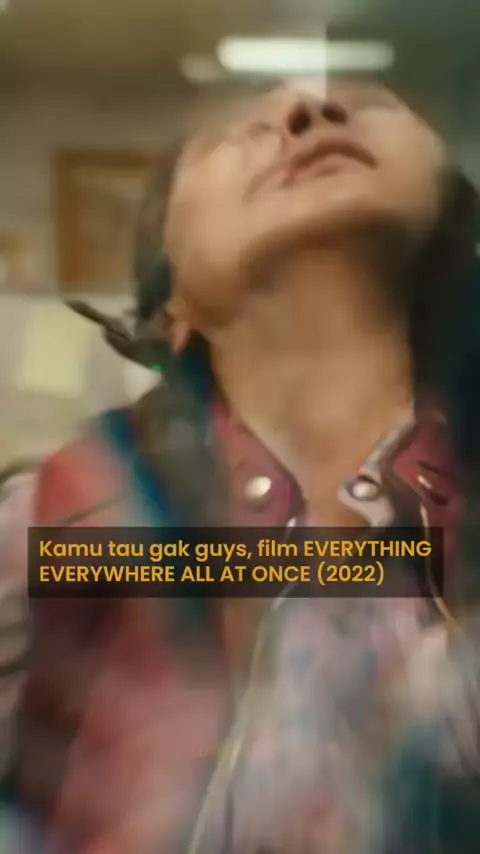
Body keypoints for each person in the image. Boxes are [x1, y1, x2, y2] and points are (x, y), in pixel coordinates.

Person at [2, 77, 480, 854]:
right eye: (231, 134)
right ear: (170, 309)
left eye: (370, 103)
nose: (308, 113)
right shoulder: (60, 518)